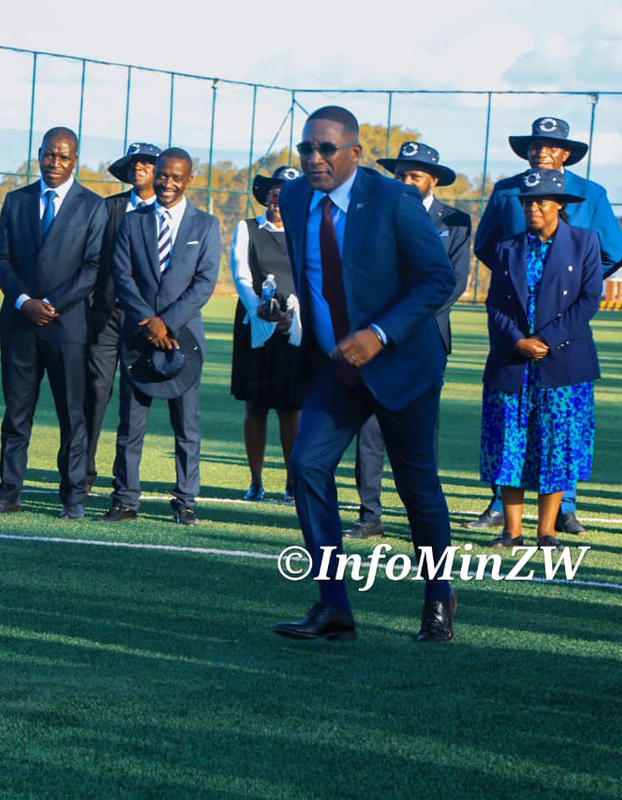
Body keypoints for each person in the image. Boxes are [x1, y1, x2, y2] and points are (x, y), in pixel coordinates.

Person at [271, 106, 458, 643]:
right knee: (307, 464)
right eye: (307, 148)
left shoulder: (394, 201)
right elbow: (315, 279)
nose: (314, 158)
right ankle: (333, 605)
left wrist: (379, 333)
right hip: (337, 369)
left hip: (402, 368)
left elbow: (437, 279)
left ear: (355, 152)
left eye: (326, 148)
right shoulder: (297, 197)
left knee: (416, 487)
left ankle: (438, 599)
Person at [468, 116, 622, 535]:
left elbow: (614, 251)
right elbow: (486, 246)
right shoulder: (507, 190)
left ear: (566, 153)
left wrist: (572, 278)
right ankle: (502, 512)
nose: (540, 150)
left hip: (564, 337)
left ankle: (563, 511)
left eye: (551, 145)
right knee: (511, 434)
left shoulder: (591, 195)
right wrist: (519, 284)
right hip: (515, 329)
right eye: (534, 144)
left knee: (559, 435)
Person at [344, 142, 471, 538]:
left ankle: (423, 515)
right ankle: (370, 514)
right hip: (374, 338)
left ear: (433, 180)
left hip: (424, 339)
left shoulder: (456, 221)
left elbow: (451, 283)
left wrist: (399, 325)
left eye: (415, 176)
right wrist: (379, 330)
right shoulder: (372, 213)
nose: (406, 182)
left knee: (419, 434)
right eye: (400, 175)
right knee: (368, 429)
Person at [0, 126, 105, 519]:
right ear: (39, 154)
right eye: (50, 154)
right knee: (16, 415)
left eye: (64, 156)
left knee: (72, 416)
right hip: (19, 325)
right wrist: (23, 301)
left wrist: (50, 304)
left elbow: (93, 267)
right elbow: (1, 259)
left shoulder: (92, 206)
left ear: (75, 160)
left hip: (67, 328)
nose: (55, 162)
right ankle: (8, 493)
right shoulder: (16, 201)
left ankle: (72, 497)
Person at [480, 168, 602, 551]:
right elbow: (494, 304)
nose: (533, 208)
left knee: (556, 446)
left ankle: (546, 531)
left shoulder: (584, 243)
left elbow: (589, 299)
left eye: (541, 201)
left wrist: (545, 340)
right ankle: (511, 532)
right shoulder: (507, 247)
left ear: (558, 206)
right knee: (510, 445)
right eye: (527, 201)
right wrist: (518, 341)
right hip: (513, 363)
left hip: (563, 364)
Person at [100, 147, 220, 525]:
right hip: (139, 336)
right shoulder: (133, 221)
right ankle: (125, 499)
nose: (168, 183)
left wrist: (166, 322)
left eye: (176, 177)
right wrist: (148, 321)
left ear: (189, 180)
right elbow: (123, 275)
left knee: (187, 425)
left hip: (184, 340)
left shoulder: (206, 225)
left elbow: (204, 283)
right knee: (130, 423)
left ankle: (185, 500)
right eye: (163, 175)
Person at [86, 142, 161, 492]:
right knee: (94, 394)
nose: (139, 167)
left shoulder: (166, 211)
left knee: (134, 405)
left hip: (144, 323)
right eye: (134, 163)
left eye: (147, 162)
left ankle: (124, 484)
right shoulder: (109, 207)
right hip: (105, 317)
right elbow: (92, 259)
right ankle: (81, 474)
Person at [230, 165, 302, 502]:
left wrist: (294, 315)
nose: (278, 197)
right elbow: (241, 273)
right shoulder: (247, 228)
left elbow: (313, 276)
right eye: (274, 190)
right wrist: (259, 308)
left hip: (295, 327)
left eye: (286, 191)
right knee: (255, 405)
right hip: (254, 324)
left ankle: (292, 482)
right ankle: (255, 481)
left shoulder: (306, 231)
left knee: (291, 407)